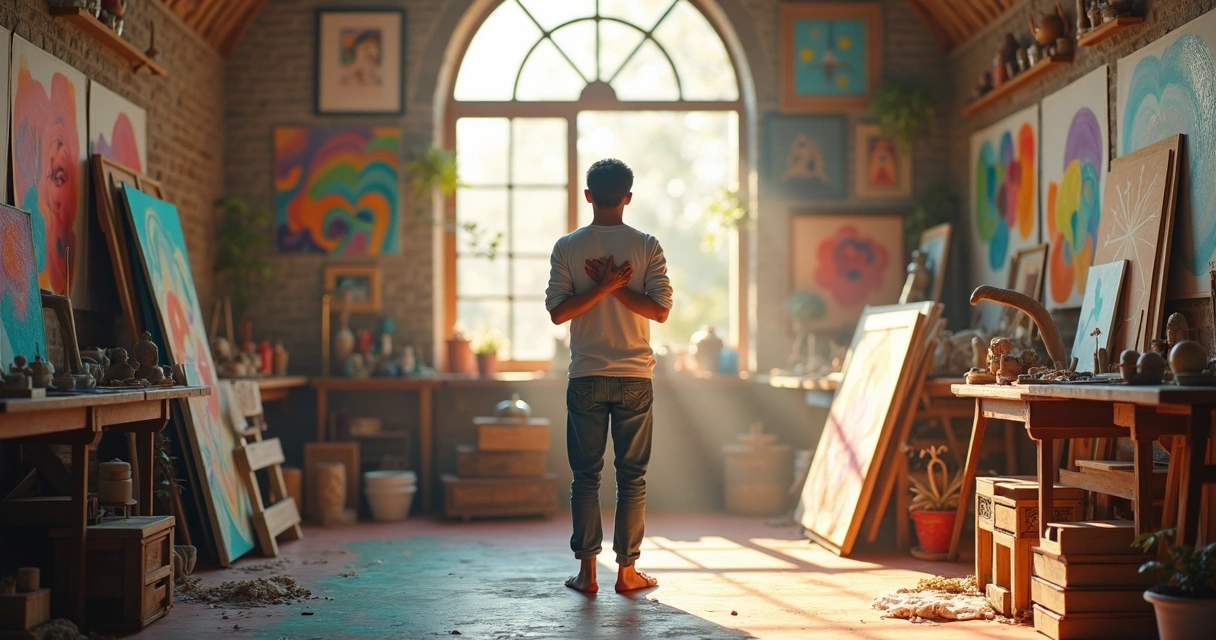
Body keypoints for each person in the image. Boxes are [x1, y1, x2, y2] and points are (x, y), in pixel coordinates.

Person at [545, 158, 673, 594]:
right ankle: (628, 573)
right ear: (628, 197)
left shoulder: (567, 247)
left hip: (585, 377)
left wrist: (604, 286)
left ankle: (587, 575)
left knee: (585, 477)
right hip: (635, 375)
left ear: (588, 196)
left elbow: (559, 313)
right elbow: (660, 310)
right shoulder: (647, 245)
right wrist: (611, 286)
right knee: (631, 478)